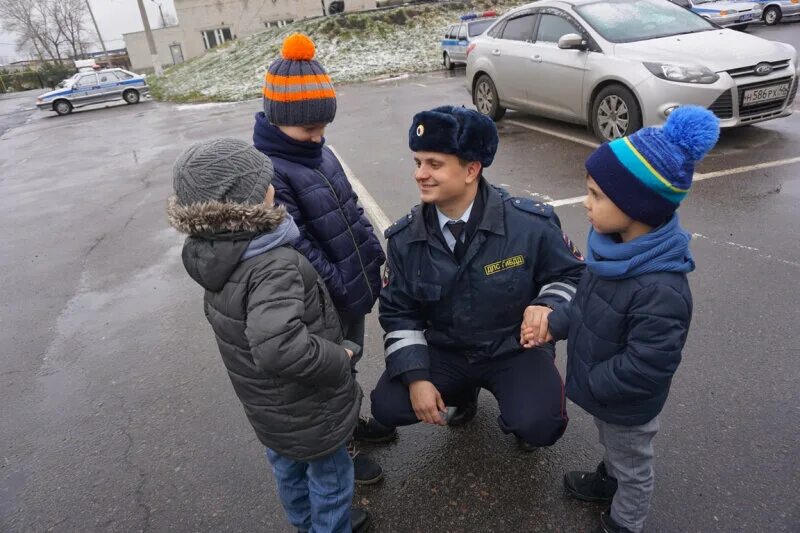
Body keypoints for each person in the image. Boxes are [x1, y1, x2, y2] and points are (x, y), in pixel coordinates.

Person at [525, 106, 719, 533]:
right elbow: (587, 305)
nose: (585, 202)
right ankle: (608, 478)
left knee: (633, 462)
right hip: (604, 392)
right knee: (613, 445)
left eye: (596, 194)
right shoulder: (611, 249)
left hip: (624, 401)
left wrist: (594, 383)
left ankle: (625, 520)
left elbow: (649, 365)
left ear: (637, 205)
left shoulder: (661, 288)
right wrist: (556, 323)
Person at [167, 138, 370, 532]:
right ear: (253, 197)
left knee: (289, 472)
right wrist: (339, 358)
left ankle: (304, 524)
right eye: (266, 182)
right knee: (331, 478)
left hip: (269, 409)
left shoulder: (215, 254)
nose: (273, 186)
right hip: (310, 408)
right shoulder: (271, 263)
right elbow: (281, 348)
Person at [370, 105, 585, 451]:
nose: (420, 174)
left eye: (434, 164)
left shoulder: (529, 224)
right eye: (417, 162)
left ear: (471, 169)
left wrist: (548, 305)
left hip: (514, 348)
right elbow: (399, 313)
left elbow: (572, 275)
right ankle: (461, 394)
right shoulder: (405, 239)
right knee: (388, 404)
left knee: (539, 425)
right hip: (448, 351)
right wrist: (416, 378)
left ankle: (517, 411)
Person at [252, 33, 392, 485]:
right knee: (331, 377)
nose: (318, 136)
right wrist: (339, 286)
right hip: (324, 300)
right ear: (279, 120)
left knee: (349, 364)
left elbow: (350, 209)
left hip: (349, 290)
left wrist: (374, 258)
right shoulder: (271, 171)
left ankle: (351, 424)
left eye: (323, 128)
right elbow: (299, 245)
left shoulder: (320, 153)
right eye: (308, 129)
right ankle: (342, 449)